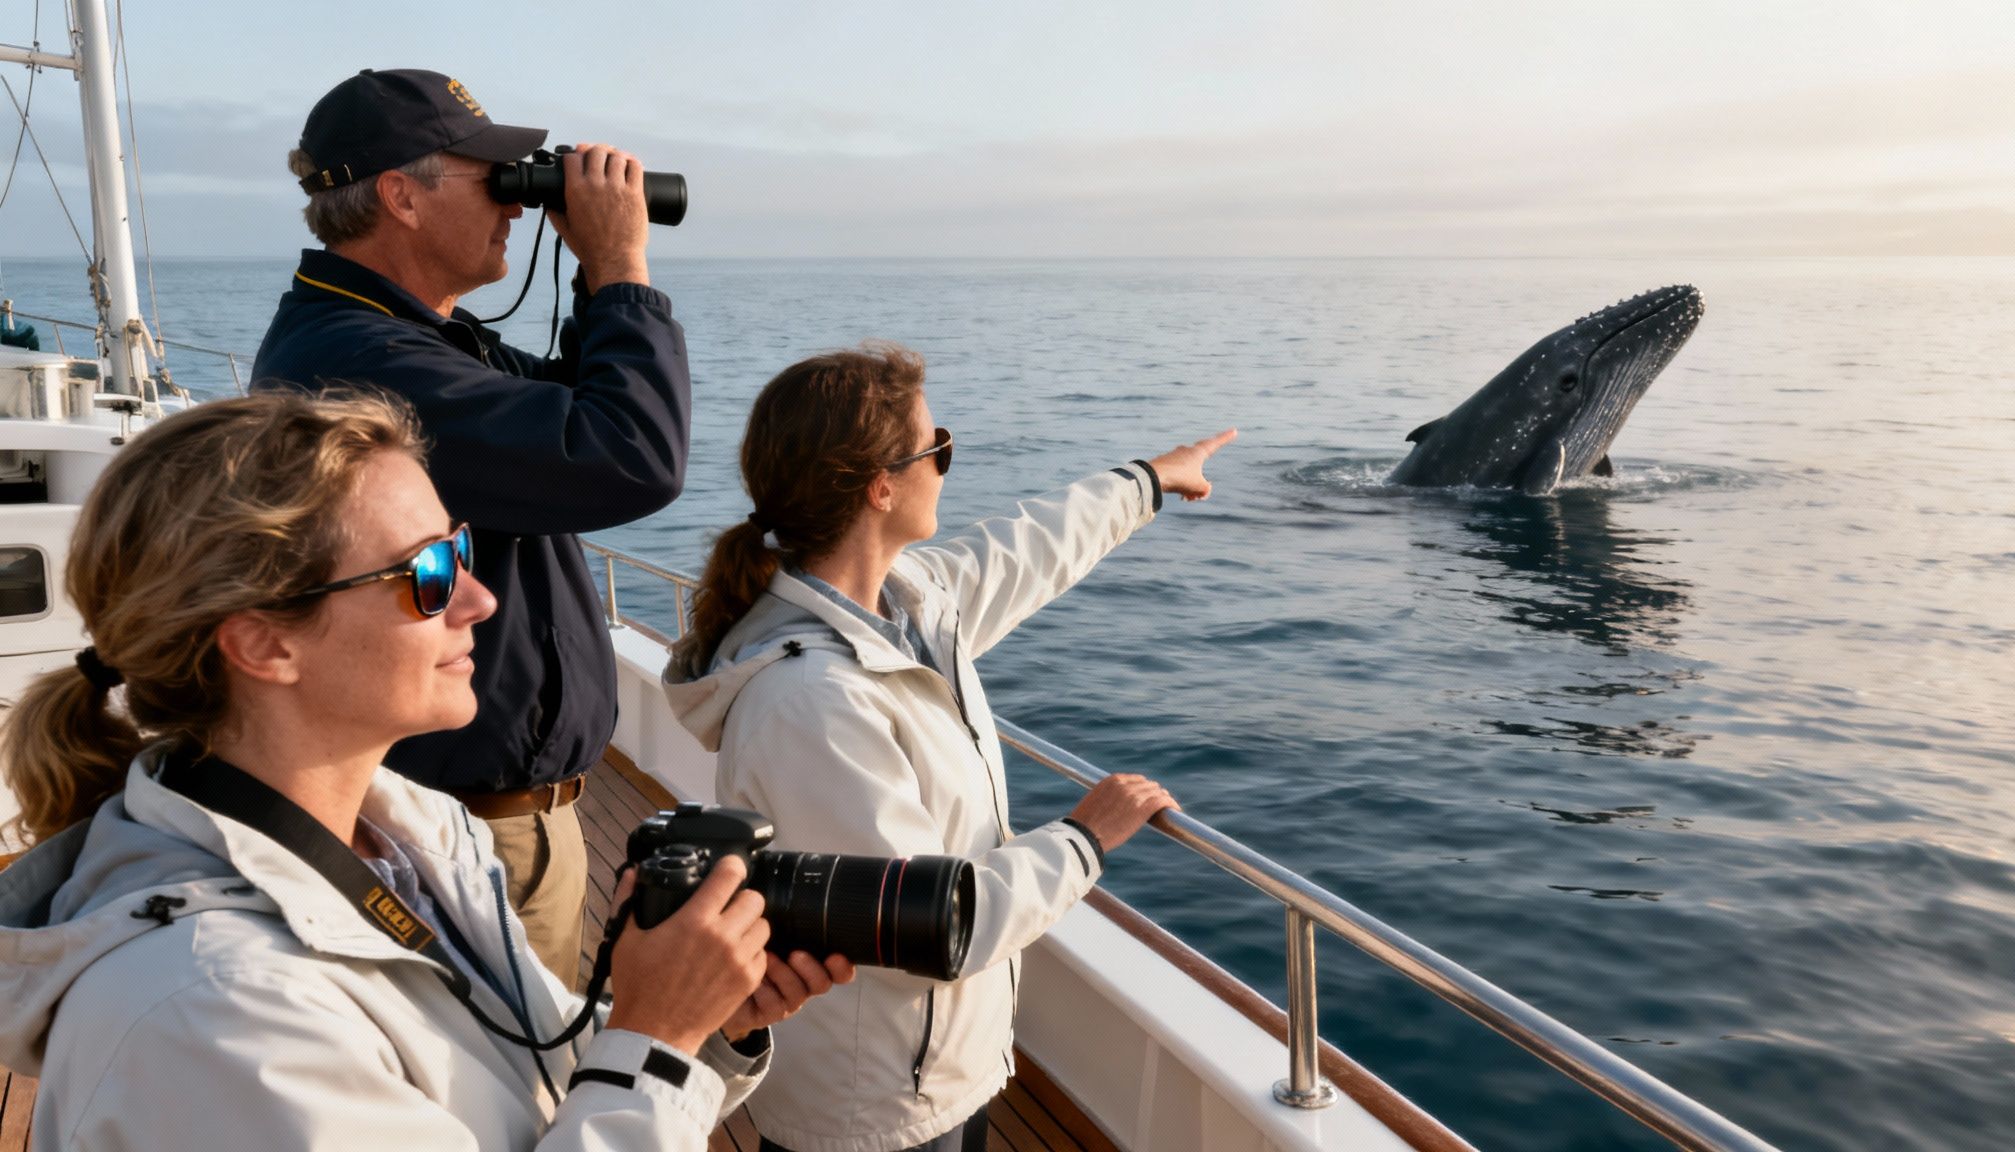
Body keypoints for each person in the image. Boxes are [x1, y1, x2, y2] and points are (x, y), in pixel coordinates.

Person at [0, 392, 851, 1150]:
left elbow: (527, 1079)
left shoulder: (411, 835)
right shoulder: (207, 1013)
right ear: (264, 641)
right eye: (428, 575)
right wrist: (657, 1042)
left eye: (460, 548)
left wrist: (697, 1025)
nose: (480, 599)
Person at [665, 343, 1234, 1152]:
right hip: (871, 1111)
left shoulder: (908, 599)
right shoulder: (810, 702)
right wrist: (1084, 839)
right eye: (940, 448)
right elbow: (928, 931)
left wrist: (1149, 479)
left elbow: (1025, 547)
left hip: (935, 1073)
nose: (947, 463)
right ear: (881, 486)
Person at [251, 68, 689, 984]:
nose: (517, 202)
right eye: (491, 174)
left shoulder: (414, 339)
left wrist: (597, 278)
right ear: (403, 196)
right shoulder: (363, 358)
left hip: (493, 820)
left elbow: (579, 414)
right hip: (465, 831)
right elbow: (629, 455)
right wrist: (619, 270)